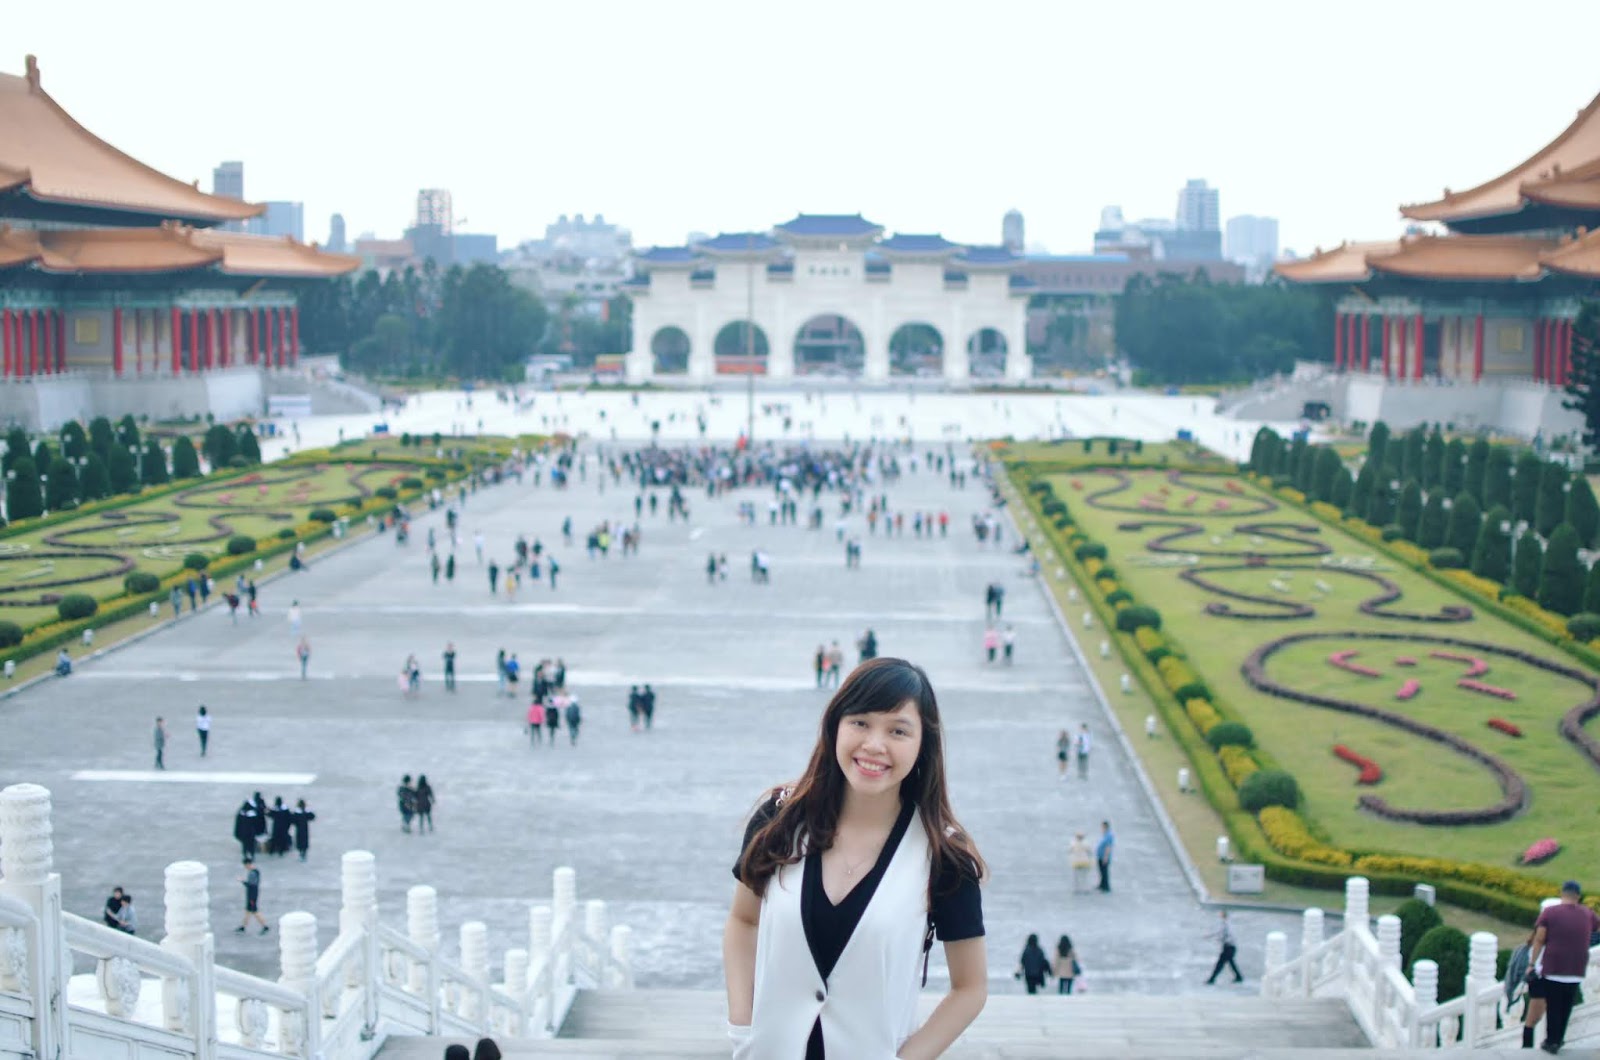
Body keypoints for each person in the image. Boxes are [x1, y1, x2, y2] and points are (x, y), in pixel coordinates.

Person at [725, 657, 987, 1059]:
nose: (874, 745)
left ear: (924, 744)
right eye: (860, 722)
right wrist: (742, 1027)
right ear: (835, 726)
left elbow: (970, 987)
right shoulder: (780, 820)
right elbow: (744, 921)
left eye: (898, 731)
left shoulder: (944, 856)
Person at [1526, 880, 1600, 1053]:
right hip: (1576, 967)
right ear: (1578, 896)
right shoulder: (1588, 914)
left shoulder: (1549, 912)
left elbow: (1539, 939)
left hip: (1554, 966)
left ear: (1562, 894)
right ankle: (1558, 1039)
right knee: (1566, 1006)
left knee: (1553, 1005)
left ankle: (1551, 1041)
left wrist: (1532, 963)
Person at [1205, 910, 1244, 984]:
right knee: (1230, 963)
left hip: (1228, 947)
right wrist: (1210, 936)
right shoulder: (1227, 924)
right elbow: (1220, 933)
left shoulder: (1226, 924)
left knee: (1220, 963)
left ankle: (1212, 979)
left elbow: (1225, 934)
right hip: (1230, 947)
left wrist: (1219, 939)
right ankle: (1239, 977)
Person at [236, 859, 268, 935]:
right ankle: (243, 926)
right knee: (248, 911)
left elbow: (250, 884)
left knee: (254, 910)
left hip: (252, 895)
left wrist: (242, 881)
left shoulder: (252, 873)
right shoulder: (255, 871)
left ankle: (265, 926)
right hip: (252, 893)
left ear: (248, 864)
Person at [1095, 821, 1114, 893]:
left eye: (1102, 827)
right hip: (1100, 856)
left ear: (1105, 827)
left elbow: (1108, 847)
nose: (1101, 828)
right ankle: (1102, 885)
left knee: (1104, 872)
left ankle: (1106, 887)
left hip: (1104, 857)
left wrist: (1105, 857)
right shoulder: (1105, 835)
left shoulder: (1109, 836)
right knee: (1101, 872)